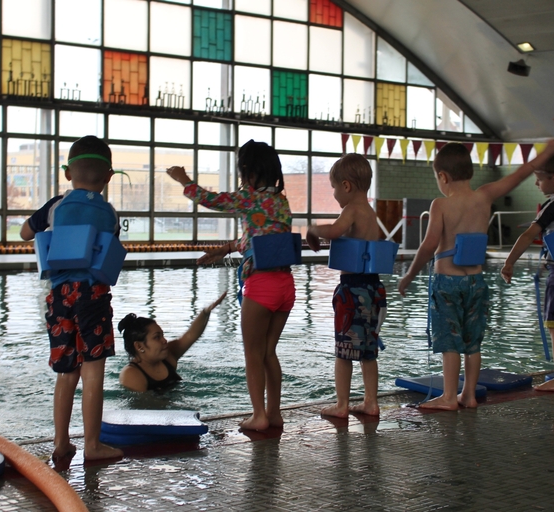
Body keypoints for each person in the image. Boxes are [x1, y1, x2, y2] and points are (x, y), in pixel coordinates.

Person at [399, 139, 554, 409]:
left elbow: (428, 246)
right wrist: (550, 150)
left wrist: (409, 275)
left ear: (443, 176)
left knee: (450, 343)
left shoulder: (440, 204)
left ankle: (449, 397)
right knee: (472, 343)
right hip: (476, 282)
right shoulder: (484, 195)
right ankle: (469, 395)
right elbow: (521, 172)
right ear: (471, 172)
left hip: (447, 284)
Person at [166, 140, 294, 431]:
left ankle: (258, 415)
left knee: (252, 353)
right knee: (268, 352)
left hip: (260, 286)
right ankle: (274, 413)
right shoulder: (280, 201)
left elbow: (212, 200)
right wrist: (225, 248)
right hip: (286, 286)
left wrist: (184, 180)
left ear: (247, 170)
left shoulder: (248, 197)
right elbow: (260, 239)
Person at [20, 135, 123, 461]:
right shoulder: (109, 213)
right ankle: (92, 445)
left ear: (68, 173)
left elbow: (26, 233)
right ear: (108, 177)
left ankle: (61, 443)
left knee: (67, 372)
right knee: (93, 371)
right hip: (92, 296)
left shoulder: (56, 205)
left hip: (59, 297)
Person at [306, 153, 387, 418]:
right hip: (374, 288)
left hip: (353, 290)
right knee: (368, 352)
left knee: (343, 351)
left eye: (333, 187)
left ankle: (341, 405)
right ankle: (370, 402)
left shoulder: (351, 209)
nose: (333, 193)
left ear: (347, 186)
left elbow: (334, 231)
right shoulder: (371, 214)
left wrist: (313, 230)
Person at [501, 137, 554, 393]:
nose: (536, 183)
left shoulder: (552, 205)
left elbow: (527, 235)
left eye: (539, 179)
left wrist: (509, 262)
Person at [118, 292, 227, 392]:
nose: (164, 340)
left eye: (162, 335)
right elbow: (145, 407)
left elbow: (190, 336)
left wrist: (205, 312)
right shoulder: (131, 375)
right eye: (157, 337)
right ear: (139, 346)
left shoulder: (168, 356)